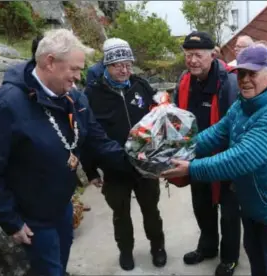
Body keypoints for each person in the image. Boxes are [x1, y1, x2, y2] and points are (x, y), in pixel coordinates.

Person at [0, 28, 134, 276]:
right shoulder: (5, 104)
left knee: (60, 266)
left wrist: (139, 162)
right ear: (50, 62)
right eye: (74, 69)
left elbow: (98, 141)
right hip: (32, 218)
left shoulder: (75, 99)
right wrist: (10, 221)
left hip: (62, 208)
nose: (79, 77)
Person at [161, 44, 267, 276]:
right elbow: (217, 133)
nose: (245, 79)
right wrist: (179, 149)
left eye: (252, 73)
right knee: (256, 261)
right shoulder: (243, 104)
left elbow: (240, 159)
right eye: (241, 73)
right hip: (253, 203)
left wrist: (191, 168)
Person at [82, 38, 167, 271]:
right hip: (114, 168)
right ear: (106, 65)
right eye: (118, 64)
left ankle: (158, 247)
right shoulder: (92, 94)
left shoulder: (140, 86)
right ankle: (126, 251)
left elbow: (161, 118)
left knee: (151, 209)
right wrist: (90, 170)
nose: (124, 70)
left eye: (128, 64)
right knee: (120, 214)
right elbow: (85, 135)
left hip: (145, 165)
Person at [172, 31, 240, 276]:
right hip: (196, 157)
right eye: (188, 55)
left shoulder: (229, 82)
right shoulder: (184, 80)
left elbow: (236, 127)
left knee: (230, 212)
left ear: (212, 54)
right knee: (202, 206)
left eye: (198, 55)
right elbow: (175, 115)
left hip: (225, 158)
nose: (192, 61)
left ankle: (229, 258)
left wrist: (234, 164)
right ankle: (207, 247)